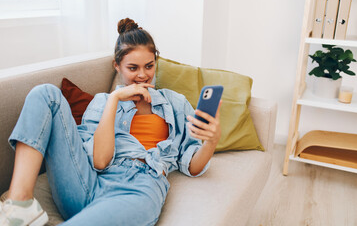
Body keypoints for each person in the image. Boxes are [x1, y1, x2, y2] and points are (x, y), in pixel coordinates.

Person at [0, 18, 221, 226]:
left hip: (139, 189)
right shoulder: (103, 102)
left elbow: (192, 166)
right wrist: (114, 99)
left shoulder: (174, 102)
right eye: (133, 68)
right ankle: (20, 204)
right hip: (88, 183)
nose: (143, 75)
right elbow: (99, 161)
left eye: (149, 66)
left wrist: (211, 142)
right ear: (117, 65)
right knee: (45, 93)